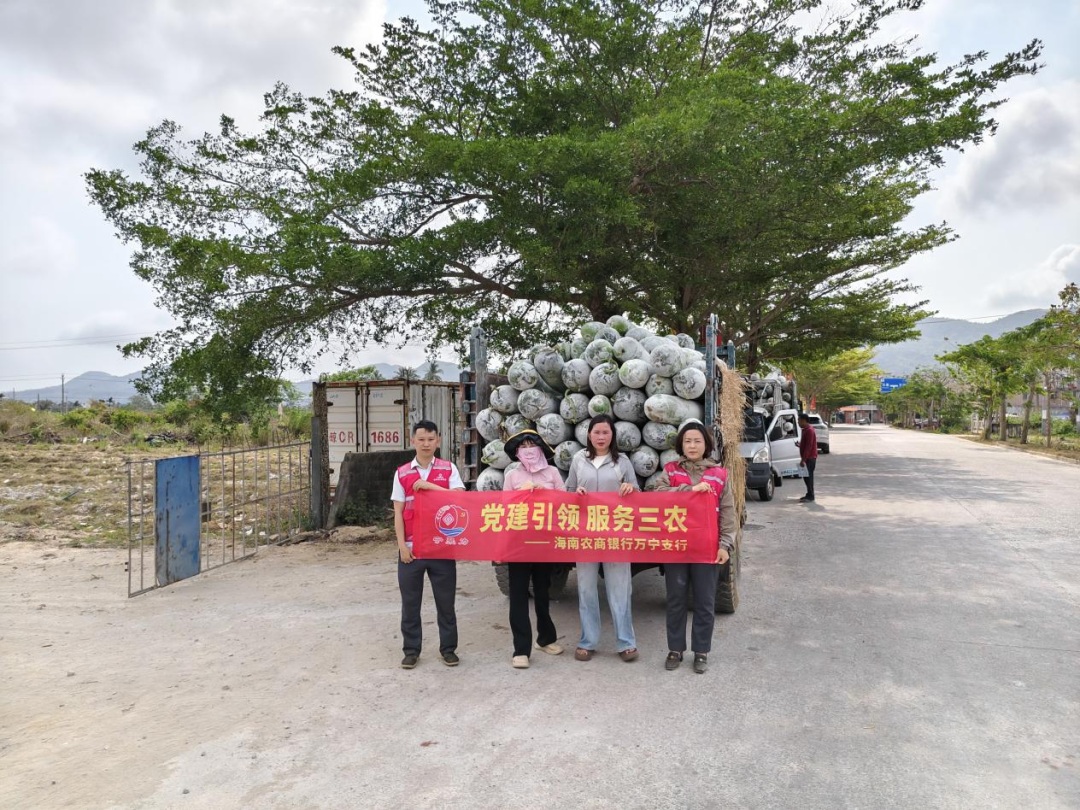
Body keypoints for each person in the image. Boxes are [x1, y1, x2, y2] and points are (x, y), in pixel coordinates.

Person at [646, 420, 736, 674]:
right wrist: (689, 489)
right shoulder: (671, 471)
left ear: (706, 445)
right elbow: (658, 495)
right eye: (687, 441)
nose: (692, 445)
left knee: (705, 602)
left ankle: (701, 651)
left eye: (697, 441)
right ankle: (675, 649)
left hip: (707, 549)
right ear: (681, 445)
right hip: (676, 547)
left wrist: (725, 545)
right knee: (676, 600)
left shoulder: (719, 474)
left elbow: (728, 512)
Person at [564, 414, 640, 662]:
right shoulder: (579, 459)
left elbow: (638, 494)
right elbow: (568, 491)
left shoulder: (622, 462)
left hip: (615, 534)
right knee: (586, 590)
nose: (600, 437)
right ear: (589, 435)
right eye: (596, 432)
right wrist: (576, 493)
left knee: (620, 590)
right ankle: (587, 641)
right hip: (585, 535)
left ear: (612, 436)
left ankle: (626, 643)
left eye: (605, 432)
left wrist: (630, 489)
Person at [391, 420, 465, 669]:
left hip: (442, 547)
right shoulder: (402, 473)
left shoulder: (448, 469)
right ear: (412, 441)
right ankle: (411, 650)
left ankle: (448, 649)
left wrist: (429, 486)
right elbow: (398, 512)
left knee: (446, 603)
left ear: (438, 441)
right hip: (412, 549)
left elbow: (460, 498)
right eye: (421, 439)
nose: (426, 444)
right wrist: (402, 546)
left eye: (430, 439)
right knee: (410, 604)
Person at [501, 429, 566, 669]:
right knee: (518, 593)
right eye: (523, 446)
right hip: (518, 543)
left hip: (544, 541)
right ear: (517, 452)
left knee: (543, 591)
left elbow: (565, 502)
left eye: (532, 445)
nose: (528, 450)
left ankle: (545, 638)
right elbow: (503, 507)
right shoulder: (512, 476)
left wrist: (545, 494)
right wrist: (520, 495)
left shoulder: (552, 473)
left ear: (541, 449)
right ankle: (521, 649)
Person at [797, 412, 818, 502]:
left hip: (809, 458)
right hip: (807, 458)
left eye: (799, 420)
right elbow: (806, 444)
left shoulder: (809, 430)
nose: (798, 422)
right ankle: (809, 494)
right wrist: (800, 445)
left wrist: (803, 460)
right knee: (806, 477)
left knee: (809, 477)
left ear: (804, 420)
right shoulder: (805, 430)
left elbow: (809, 446)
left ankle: (811, 496)